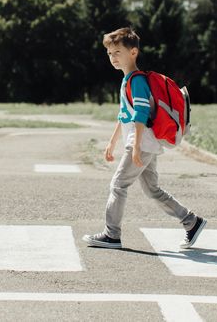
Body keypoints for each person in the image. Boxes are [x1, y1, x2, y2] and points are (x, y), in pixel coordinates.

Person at [82, 26, 205, 250]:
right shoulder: (127, 80)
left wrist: (136, 146)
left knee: (118, 185)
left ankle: (112, 235)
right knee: (151, 189)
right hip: (145, 143)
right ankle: (192, 222)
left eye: (117, 52)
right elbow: (124, 115)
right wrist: (112, 141)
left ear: (133, 52)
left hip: (142, 143)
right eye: (109, 53)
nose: (113, 57)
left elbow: (140, 113)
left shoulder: (137, 81)